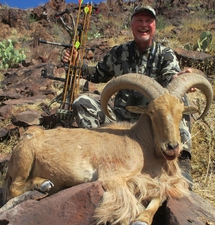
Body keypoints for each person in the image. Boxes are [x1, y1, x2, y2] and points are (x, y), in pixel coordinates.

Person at [62, 5, 193, 184]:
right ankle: (95, 157)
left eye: (149, 21)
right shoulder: (118, 52)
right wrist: (78, 63)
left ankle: (183, 163)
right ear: (131, 25)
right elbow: (96, 74)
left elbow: (171, 78)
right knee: (83, 102)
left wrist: (179, 79)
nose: (144, 25)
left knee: (180, 100)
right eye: (139, 20)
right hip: (120, 124)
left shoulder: (165, 55)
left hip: (151, 125)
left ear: (155, 25)